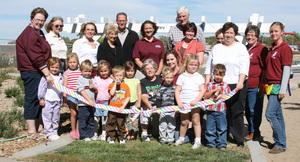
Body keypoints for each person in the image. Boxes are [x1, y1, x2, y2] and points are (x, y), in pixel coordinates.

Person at [204, 22, 250, 147]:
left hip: (236, 85)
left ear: (234, 34)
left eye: (231, 33)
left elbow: (244, 66)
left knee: (236, 112)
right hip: (218, 85)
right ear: (223, 34)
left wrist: (241, 82)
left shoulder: (241, 47)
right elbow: (209, 67)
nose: (228, 35)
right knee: (216, 112)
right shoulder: (217, 48)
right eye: (226, 33)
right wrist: (207, 83)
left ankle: (239, 139)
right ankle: (216, 138)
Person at [16, 7, 52, 140]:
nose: (40, 22)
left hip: (38, 71)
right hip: (31, 71)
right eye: (37, 20)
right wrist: (47, 74)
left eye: (42, 20)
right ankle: (31, 130)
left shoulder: (39, 33)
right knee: (31, 98)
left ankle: (39, 127)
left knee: (39, 98)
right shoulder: (29, 34)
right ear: (32, 19)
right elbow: (36, 57)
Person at [264, 22, 292, 154]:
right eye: (271, 31)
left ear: (282, 32)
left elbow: (286, 69)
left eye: (276, 31)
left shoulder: (285, 48)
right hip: (269, 86)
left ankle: (280, 143)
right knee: (278, 115)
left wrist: (282, 89)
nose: (273, 34)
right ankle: (281, 142)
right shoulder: (272, 48)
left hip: (277, 85)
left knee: (269, 114)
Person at [175, 54, 205, 149]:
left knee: (196, 121)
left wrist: (196, 101)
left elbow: (202, 90)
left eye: (195, 65)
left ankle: (197, 140)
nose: (193, 67)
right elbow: (177, 90)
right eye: (191, 64)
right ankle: (181, 138)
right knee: (184, 122)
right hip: (184, 103)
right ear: (186, 64)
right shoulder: (181, 76)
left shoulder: (199, 77)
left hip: (195, 104)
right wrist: (179, 102)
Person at [244, 25, 268, 141]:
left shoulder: (261, 49)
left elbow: (264, 68)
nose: (250, 37)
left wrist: (261, 85)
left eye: (252, 35)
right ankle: (251, 129)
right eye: (248, 35)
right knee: (247, 110)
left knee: (254, 110)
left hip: (255, 85)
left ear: (257, 36)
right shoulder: (244, 48)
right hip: (245, 85)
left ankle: (255, 131)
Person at [204, 64, 231, 150]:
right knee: (210, 128)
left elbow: (228, 95)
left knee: (222, 128)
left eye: (220, 75)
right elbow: (205, 96)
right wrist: (213, 91)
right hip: (210, 110)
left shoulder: (225, 85)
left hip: (221, 110)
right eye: (216, 74)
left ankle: (222, 144)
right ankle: (210, 143)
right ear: (213, 74)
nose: (218, 77)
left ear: (224, 75)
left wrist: (221, 96)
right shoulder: (209, 84)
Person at [38, 57, 63, 141]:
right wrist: (41, 98)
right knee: (47, 117)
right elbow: (42, 88)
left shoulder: (60, 77)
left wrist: (62, 99)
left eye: (56, 67)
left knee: (55, 117)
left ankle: (55, 131)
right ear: (49, 67)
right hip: (48, 100)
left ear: (59, 67)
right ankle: (49, 132)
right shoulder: (46, 77)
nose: (54, 69)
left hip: (57, 100)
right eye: (52, 67)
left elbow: (62, 90)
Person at [106, 66, 131, 144]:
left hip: (121, 109)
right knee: (111, 123)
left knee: (121, 124)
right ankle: (111, 137)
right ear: (113, 76)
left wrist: (123, 106)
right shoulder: (111, 85)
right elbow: (112, 93)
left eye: (120, 75)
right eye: (117, 75)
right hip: (112, 109)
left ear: (123, 76)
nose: (119, 77)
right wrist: (115, 84)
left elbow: (128, 97)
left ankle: (122, 137)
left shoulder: (125, 86)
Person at [140, 59, 162, 142]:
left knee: (155, 133)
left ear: (155, 69)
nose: (149, 70)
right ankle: (144, 133)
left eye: (151, 68)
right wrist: (151, 106)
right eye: (147, 69)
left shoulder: (161, 79)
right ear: (144, 71)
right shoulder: (142, 82)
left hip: (159, 105)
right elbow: (144, 96)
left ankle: (159, 132)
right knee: (144, 109)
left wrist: (158, 106)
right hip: (148, 105)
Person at [76, 60, 98, 141]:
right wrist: (89, 100)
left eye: (89, 71)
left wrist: (94, 88)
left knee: (90, 120)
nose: (87, 73)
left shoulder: (92, 79)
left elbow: (96, 91)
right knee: (83, 121)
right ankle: (84, 136)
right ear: (81, 70)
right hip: (83, 105)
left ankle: (91, 134)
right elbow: (81, 91)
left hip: (91, 105)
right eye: (85, 71)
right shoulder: (80, 79)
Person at [63, 53, 81, 139]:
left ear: (78, 62)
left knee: (79, 112)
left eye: (74, 62)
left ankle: (78, 129)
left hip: (80, 96)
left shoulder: (80, 71)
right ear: (67, 63)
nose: (72, 64)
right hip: (70, 96)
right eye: (70, 62)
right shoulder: (66, 73)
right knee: (73, 113)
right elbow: (65, 86)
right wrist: (64, 97)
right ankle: (73, 130)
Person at [94, 60, 113, 141]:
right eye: (101, 71)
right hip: (97, 102)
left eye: (105, 71)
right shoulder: (96, 79)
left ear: (109, 70)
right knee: (96, 118)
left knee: (104, 119)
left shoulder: (111, 80)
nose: (103, 73)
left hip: (106, 102)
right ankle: (95, 133)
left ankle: (103, 133)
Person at [156, 67, 176, 145]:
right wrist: (158, 109)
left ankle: (170, 139)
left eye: (171, 77)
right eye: (167, 77)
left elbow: (177, 100)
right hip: (163, 110)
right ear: (163, 78)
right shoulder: (161, 89)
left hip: (172, 110)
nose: (169, 79)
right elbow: (158, 99)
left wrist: (177, 110)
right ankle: (163, 138)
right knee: (163, 125)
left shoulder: (175, 88)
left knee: (171, 125)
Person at [123, 61, 141, 141]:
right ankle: (128, 133)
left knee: (134, 118)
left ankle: (133, 133)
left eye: (131, 71)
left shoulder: (137, 81)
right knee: (127, 118)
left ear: (134, 71)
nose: (130, 73)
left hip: (135, 102)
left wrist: (139, 102)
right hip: (126, 103)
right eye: (128, 71)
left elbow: (139, 92)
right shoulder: (123, 80)